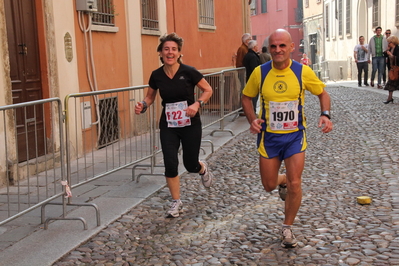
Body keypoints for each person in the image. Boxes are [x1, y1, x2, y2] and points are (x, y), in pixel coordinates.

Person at [241, 29, 333, 248]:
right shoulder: (260, 72)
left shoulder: (302, 71)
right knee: (268, 185)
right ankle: (280, 181)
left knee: (295, 182)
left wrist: (325, 114)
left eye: (282, 46)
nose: (278, 50)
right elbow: (246, 97)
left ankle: (287, 227)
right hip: (269, 138)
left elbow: (322, 93)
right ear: (269, 49)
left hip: (294, 137)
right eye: (273, 46)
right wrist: (252, 119)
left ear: (292, 47)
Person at [135, 33, 214, 218]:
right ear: (160, 53)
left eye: (173, 49)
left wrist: (197, 104)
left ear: (179, 53)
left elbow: (208, 89)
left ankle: (201, 168)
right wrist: (143, 105)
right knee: (170, 163)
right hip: (169, 125)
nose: (170, 52)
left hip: (190, 124)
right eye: (166, 49)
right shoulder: (156, 75)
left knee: (190, 164)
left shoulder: (189, 72)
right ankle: (176, 202)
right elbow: (150, 96)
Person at [243, 40, 261, 113]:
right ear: (254, 47)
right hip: (252, 78)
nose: (257, 47)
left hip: (249, 76)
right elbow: (254, 68)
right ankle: (253, 109)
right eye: (256, 46)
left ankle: (253, 109)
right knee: (254, 96)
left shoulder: (248, 55)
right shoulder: (253, 56)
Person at [383, 35, 399, 104]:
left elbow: (398, 58)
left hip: (397, 69)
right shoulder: (390, 49)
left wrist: (392, 56)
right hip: (392, 69)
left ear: (393, 42)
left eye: (389, 42)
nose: (388, 44)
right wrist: (387, 50)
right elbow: (384, 54)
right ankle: (389, 98)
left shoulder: (398, 49)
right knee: (390, 83)